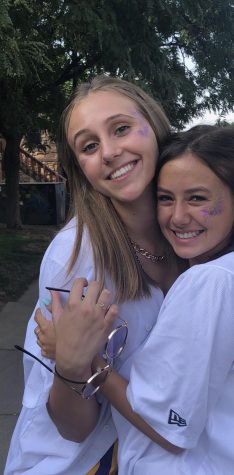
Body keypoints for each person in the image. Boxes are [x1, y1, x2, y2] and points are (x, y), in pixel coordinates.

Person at [4, 74, 183, 475]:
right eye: (89, 145)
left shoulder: (188, 234)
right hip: (81, 463)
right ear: (80, 168)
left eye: (121, 128)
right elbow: (72, 429)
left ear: (154, 126)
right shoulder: (76, 258)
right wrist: (72, 365)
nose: (109, 152)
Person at [93, 125, 234, 474]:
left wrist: (85, 360)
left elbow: (168, 428)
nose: (177, 217)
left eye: (198, 198)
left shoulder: (211, 281)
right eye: (166, 198)